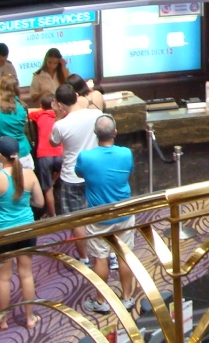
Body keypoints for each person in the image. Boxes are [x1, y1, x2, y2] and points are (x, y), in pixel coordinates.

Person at [0, 136, 44, 331]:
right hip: (26, 229)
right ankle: (30, 317)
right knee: (26, 274)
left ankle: (3, 319)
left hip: (2, 233)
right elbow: (40, 203)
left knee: (4, 278)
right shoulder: (30, 175)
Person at [76, 115, 137, 314]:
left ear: (95, 134)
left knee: (100, 259)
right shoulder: (126, 153)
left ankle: (101, 301)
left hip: (99, 217)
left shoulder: (86, 157)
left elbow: (79, 173)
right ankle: (127, 298)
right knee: (124, 256)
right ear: (115, 133)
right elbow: (129, 171)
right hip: (125, 214)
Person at [50, 83, 104, 265]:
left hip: (71, 177)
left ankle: (84, 258)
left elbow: (53, 143)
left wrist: (58, 116)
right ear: (75, 95)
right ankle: (107, 255)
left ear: (59, 104)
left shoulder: (61, 125)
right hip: (95, 172)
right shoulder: (97, 114)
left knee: (77, 220)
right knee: (99, 214)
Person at [0, 74, 34, 172]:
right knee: (26, 184)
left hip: (0, 155)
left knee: (3, 186)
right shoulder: (22, 107)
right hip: (22, 152)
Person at [29, 93, 63, 217]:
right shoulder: (62, 114)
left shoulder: (39, 114)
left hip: (44, 154)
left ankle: (53, 215)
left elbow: (26, 111)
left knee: (48, 188)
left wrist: (40, 109)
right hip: (60, 153)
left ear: (41, 106)